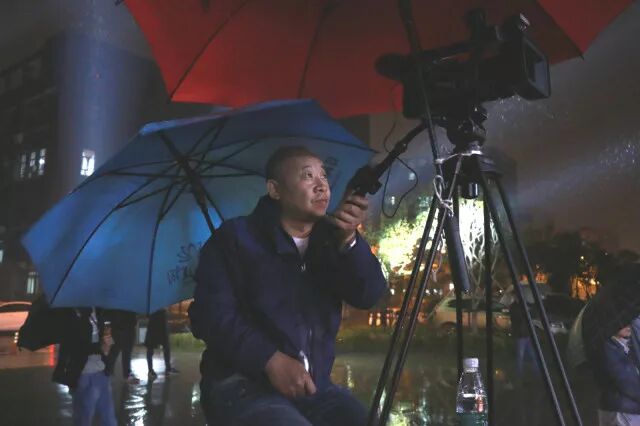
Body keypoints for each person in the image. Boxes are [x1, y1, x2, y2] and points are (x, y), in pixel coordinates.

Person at [189, 146, 387, 425]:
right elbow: (209, 316)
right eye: (308, 176)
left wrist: (349, 242)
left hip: (314, 388)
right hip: (242, 386)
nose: (321, 186)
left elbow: (368, 294)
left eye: (324, 176)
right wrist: (269, 360)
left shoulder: (330, 240)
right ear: (275, 189)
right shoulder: (236, 238)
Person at [52, 307, 117, 426]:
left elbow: (106, 342)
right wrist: (99, 347)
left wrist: (107, 346)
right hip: (84, 374)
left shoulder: (100, 313)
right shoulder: (73, 314)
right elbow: (72, 346)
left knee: (109, 419)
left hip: (102, 372)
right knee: (84, 419)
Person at [592, 323, 640, 425]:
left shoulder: (626, 344)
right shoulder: (607, 348)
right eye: (621, 322)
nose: (627, 324)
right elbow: (626, 382)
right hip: (620, 411)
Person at [105, 309, 139, 384]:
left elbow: (109, 318)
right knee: (125, 354)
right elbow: (134, 321)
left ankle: (108, 372)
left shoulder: (116, 306)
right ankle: (125, 375)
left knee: (114, 353)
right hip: (127, 331)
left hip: (118, 331)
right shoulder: (130, 307)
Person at [145, 308, 177, 379]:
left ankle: (152, 370)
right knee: (163, 347)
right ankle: (165, 369)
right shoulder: (160, 309)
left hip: (155, 322)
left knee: (152, 348)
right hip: (158, 322)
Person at [509, 298, 538, 378]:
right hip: (521, 335)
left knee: (533, 354)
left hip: (527, 334)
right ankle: (519, 373)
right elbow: (518, 318)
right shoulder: (515, 307)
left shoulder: (524, 305)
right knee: (520, 356)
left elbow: (533, 313)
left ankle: (535, 372)